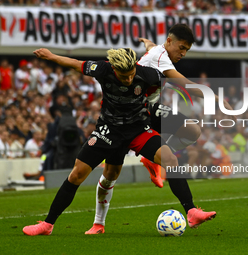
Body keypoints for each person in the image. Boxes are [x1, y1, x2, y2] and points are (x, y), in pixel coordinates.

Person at [85, 24, 235, 234]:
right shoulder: (160, 57)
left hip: (147, 109)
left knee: (192, 131)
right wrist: (216, 98)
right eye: (181, 48)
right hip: (125, 118)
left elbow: (153, 48)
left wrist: (148, 43)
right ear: (169, 41)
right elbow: (183, 83)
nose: (182, 53)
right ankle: (98, 223)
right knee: (110, 173)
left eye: (186, 50)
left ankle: (190, 210)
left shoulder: (159, 52)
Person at [22, 47, 178, 236]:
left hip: (135, 130)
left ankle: (99, 223)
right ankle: (48, 225)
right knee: (79, 174)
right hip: (108, 131)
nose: (128, 79)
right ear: (114, 69)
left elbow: (166, 77)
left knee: (115, 174)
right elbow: (75, 64)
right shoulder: (103, 69)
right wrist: (51, 56)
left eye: (131, 75)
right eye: (123, 75)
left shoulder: (146, 74)